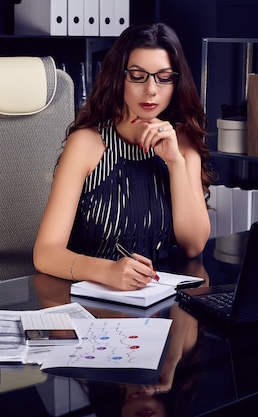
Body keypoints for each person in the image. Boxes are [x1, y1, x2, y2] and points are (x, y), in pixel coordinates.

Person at [33, 22, 216, 291]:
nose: (151, 90)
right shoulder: (86, 144)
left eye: (164, 77)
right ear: (119, 78)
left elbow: (193, 245)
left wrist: (175, 162)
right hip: (92, 300)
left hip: (157, 299)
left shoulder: (183, 141)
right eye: (138, 75)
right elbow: (46, 253)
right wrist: (106, 271)